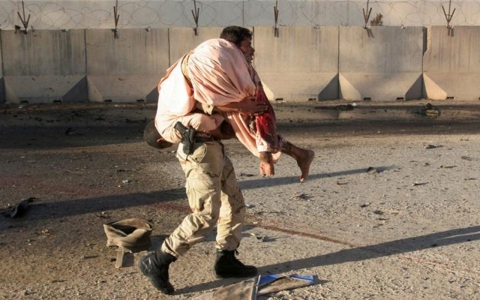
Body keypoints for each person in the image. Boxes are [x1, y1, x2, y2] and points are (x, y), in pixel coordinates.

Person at [138, 31, 268, 295]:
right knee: (206, 214)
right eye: (247, 46)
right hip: (198, 151)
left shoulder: (215, 77)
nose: (251, 51)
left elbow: (222, 119)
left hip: (213, 148)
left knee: (234, 204)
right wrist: (239, 108)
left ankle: (226, 259)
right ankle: (159, 259)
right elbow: (201, 114)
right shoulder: (191, 83)